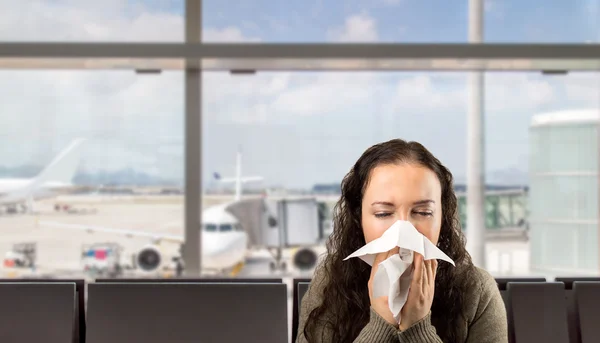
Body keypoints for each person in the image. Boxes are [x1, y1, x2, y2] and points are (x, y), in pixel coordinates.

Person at [296, 139, 507, 343]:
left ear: (443, 217)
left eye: (423, 212)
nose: (403, 231)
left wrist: (417, 327)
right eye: (383, 213)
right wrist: (382, 321)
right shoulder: (330, 282)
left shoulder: (476, 290)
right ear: (359, 217)